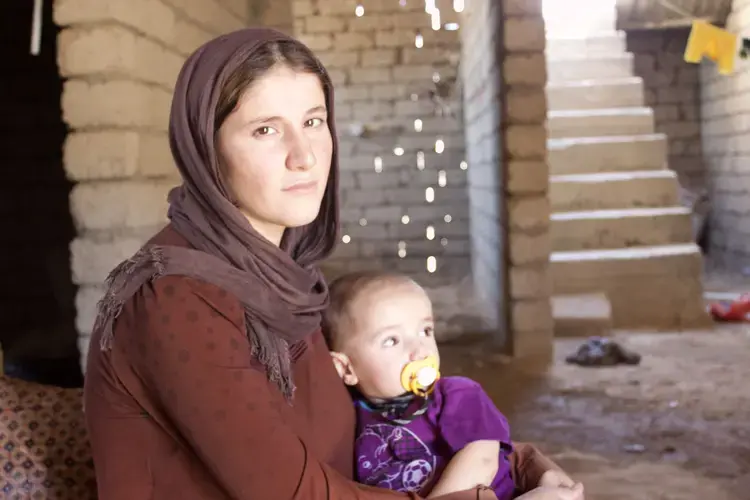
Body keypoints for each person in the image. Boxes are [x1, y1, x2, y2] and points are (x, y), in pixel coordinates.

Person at [83, 27, 575, 500]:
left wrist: (520, 466)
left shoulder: (285, 280)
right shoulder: (176, 299)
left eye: (313, 122)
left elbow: (379, 427)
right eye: (265, 129)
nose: (305, 157)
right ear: (206, 150)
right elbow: (292, 493)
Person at [323, 271, 584, 500]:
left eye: (425, 331)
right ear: (346, 369)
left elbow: (482, 458)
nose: (420, 351)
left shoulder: (455, 394)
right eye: (392, 340)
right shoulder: (354, 413)